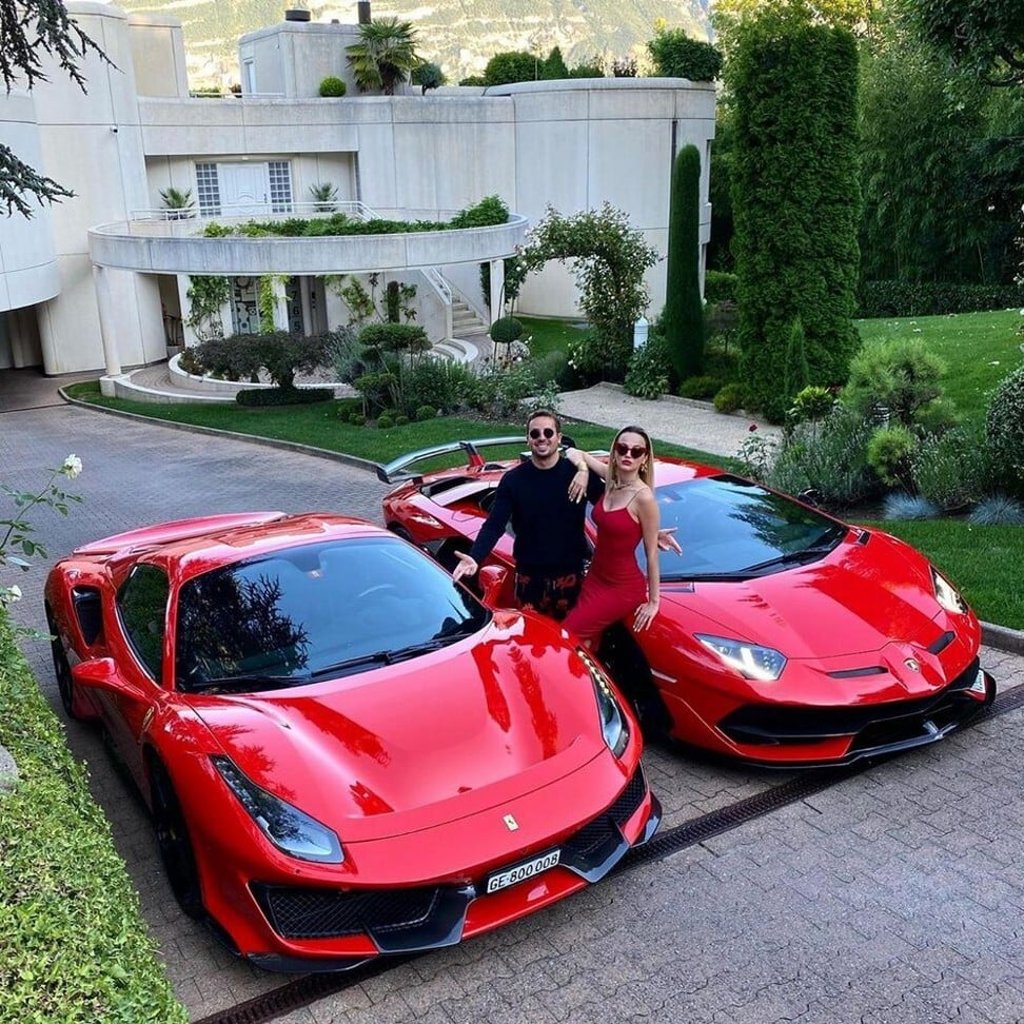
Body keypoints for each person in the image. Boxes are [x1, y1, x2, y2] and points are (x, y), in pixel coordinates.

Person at [451, 409, 599, 619]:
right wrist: (475, 557)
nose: (542, 438)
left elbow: (612, 507)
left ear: (558, 437)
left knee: (569, 645)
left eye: (548, 433)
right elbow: (494, 525)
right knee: (532, 646)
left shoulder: (578, 475)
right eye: (535, 434)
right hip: (529, 580)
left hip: (571, 579)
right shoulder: (513, 480)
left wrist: (645, 529)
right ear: (527, 440)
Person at [562, 426, 661, 645]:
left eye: (636, 452)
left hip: (622, 587)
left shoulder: (644, 498)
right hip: (596, 578)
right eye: (622, 448)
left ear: (644, 459)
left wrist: (654, 601)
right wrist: (583, 469)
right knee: (585, 642)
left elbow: (652, 554)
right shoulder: (611, 481)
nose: (628, 454)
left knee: (567, 635)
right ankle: (587, 680)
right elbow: (574, 453)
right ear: (614, 452)